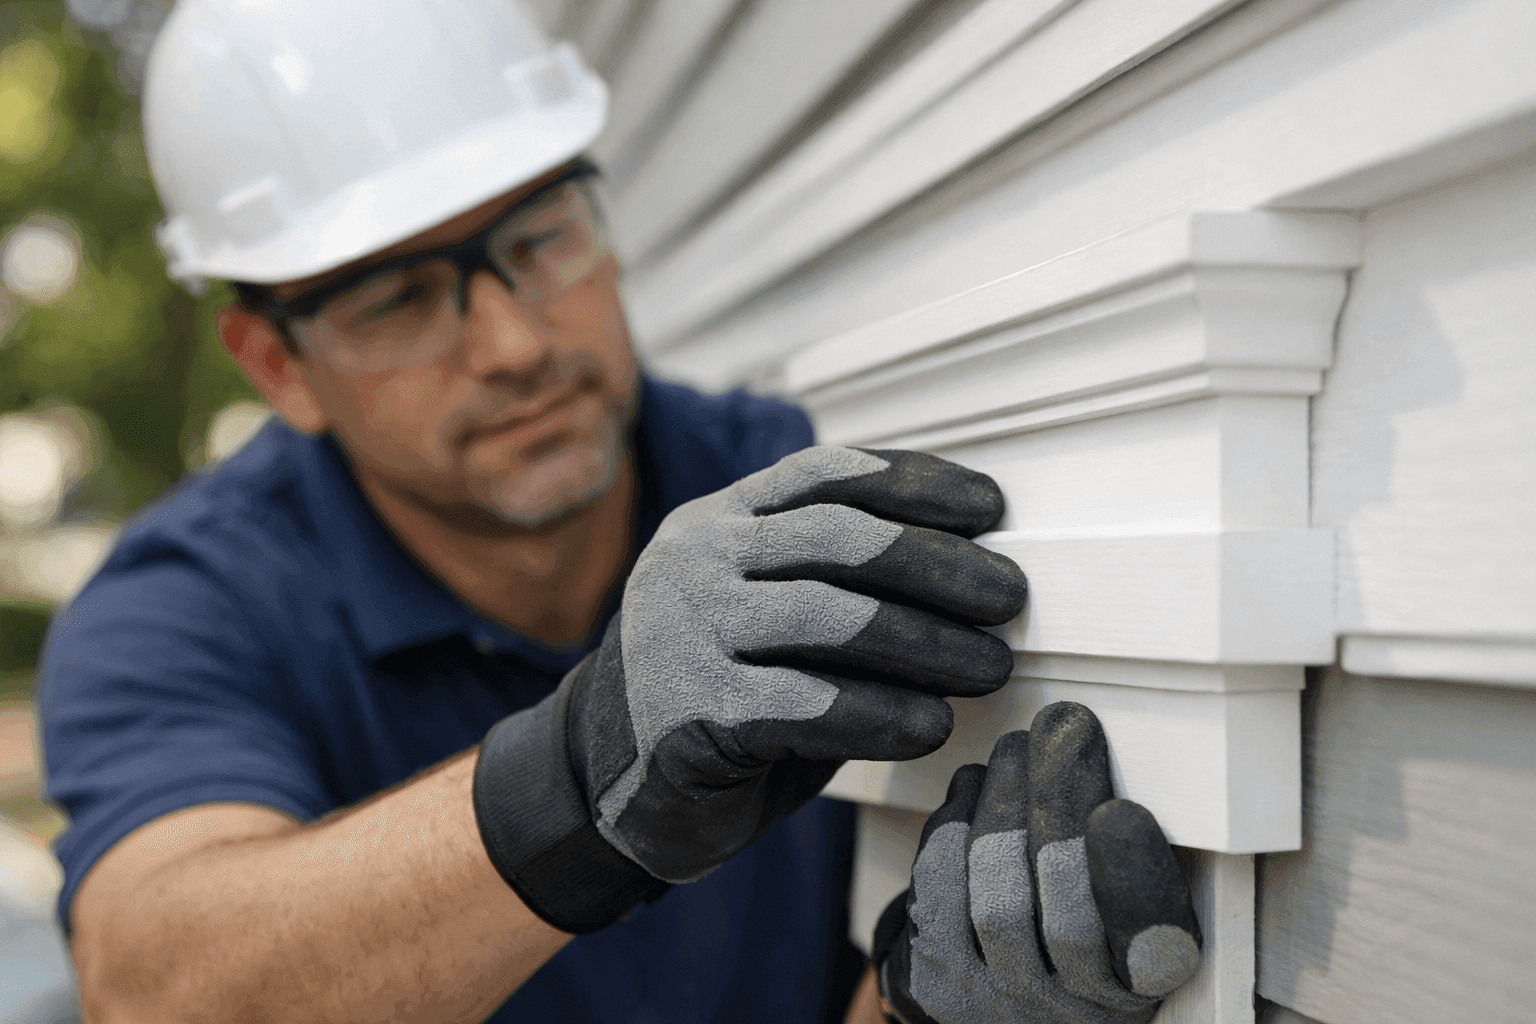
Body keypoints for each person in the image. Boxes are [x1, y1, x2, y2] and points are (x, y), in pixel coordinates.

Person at [37, 2, 1201, 1022]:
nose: (515, 343)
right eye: (397, 301)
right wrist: (585, 766)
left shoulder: (798, 513)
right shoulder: (183, 611)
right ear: (277, 366)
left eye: (539, 240)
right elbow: (154, 993)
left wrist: (935, 1007)